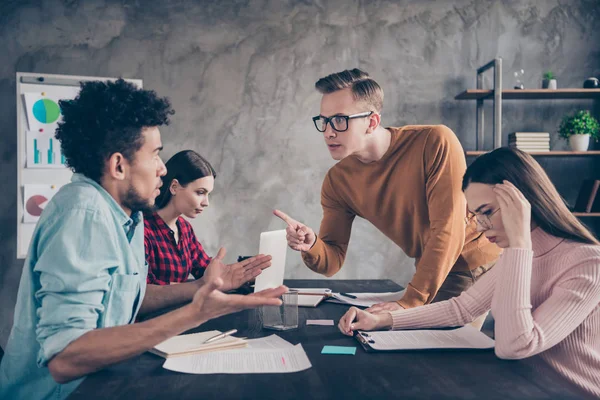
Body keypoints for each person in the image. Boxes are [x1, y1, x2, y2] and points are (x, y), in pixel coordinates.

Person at [0, 79, 286, 400]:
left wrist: (200, 288)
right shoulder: (84, 213)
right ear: (119, 165)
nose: (162, 169)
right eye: (155, 155)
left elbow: (128, 297)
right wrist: (196, 312)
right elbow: (66, 358)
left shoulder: (129, 215)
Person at [338, 147, 600, 398]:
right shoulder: (519, 256)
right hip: (524, 387)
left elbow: (517, 344)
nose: (483, 227)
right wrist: (382, 320)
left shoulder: (587, 263)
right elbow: (461, 309)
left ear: (523, 203)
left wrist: (519, 243)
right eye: (476, 216)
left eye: (487, 212)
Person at [275, 68, 500, 310]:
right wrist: (311, 245)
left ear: (372, 122)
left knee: (429, 344)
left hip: (474, 263)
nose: (328, 132)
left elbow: (447, 231)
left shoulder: (435, 142)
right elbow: (332, 261)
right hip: (429, 269)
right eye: (324, 121)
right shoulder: (337, 181)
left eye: (340, 120)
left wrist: (407, 304)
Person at [144, 149, 271, 290]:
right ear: (174, 187)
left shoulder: (184, 228)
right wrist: (198, 286)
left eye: (208, 194)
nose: (206, 202)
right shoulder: (143, 229)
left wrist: (240, 274)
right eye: (200, 193)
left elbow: (205, 270)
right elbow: (145, 289)